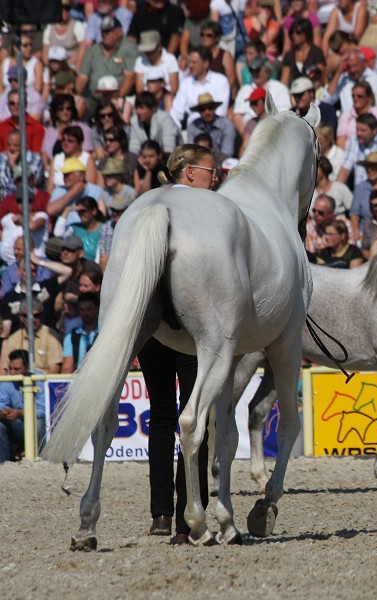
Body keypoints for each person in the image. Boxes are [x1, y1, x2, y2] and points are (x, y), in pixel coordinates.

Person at [142, 144, 216, 544]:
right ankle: (191, 510)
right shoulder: (205, 215)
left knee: (162, 417)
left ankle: (159, 513)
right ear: (188, 172)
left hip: (152, 327)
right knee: (196, 418)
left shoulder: (148, 205)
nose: (215, 177)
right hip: (190, 330)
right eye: (210, 170)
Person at [0, 350, 45, 463]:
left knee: (39, 423)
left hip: (40, 426)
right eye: (10, 368)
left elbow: (44, 411)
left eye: (17, 369)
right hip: (16, 424)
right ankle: (4, 464)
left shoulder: (39, 379)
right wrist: (3, 413)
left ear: (28, 368)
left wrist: (20, 413)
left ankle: (42, 460)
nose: (12, 372)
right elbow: (1, 404)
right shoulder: (6, 380)